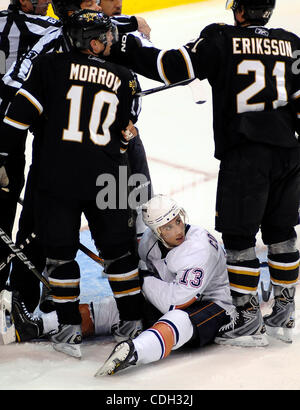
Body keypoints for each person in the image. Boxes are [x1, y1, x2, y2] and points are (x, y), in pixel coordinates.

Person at [108, 0, 300, 345]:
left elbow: (170, 66)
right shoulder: (291, 41)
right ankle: (284, 316)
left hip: (246, 154)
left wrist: (129, 45)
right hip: (289, 152)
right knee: (282, 233)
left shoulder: (221, 38)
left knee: (240, 239)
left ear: (239, 10)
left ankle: (247, 322)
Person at [0, 9, 146, 358]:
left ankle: (68, 328)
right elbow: (127, 134)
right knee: (119, 252)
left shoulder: (50, 68)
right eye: (106, 35)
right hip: (109, 176)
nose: (111, 39)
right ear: (94, 43)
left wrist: (3, 158)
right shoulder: (127, 78)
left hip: (57, 175)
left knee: (60, 253)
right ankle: (133, 322)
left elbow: (16, 119)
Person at [95, 194, 236, 376]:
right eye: (168, 227)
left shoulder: (198, 248)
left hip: (216, 304)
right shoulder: (148, 242)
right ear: (155, 231)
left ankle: (135, 351)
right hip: (178, 295)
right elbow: (154, 280)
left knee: (178, 318)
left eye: (178, 221)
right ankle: (50, 324)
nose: (178, 230)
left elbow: (174, 302)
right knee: (118, 307)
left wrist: (142, 277)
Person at [0, 0, 60, 296]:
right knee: (15, 215)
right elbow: (75, 27)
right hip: (11, 138)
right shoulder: (44, 27)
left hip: (10, 139)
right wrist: (133, 23)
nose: (48, 2)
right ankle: (15, 295)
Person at [100, 0, 154, 239]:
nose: (118, 3)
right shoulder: (84, 41)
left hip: (130, 132)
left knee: (142, 199)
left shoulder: (120, 35)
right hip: (106, 138)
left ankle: (143, 253)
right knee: (117, 204)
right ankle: (121, 250)